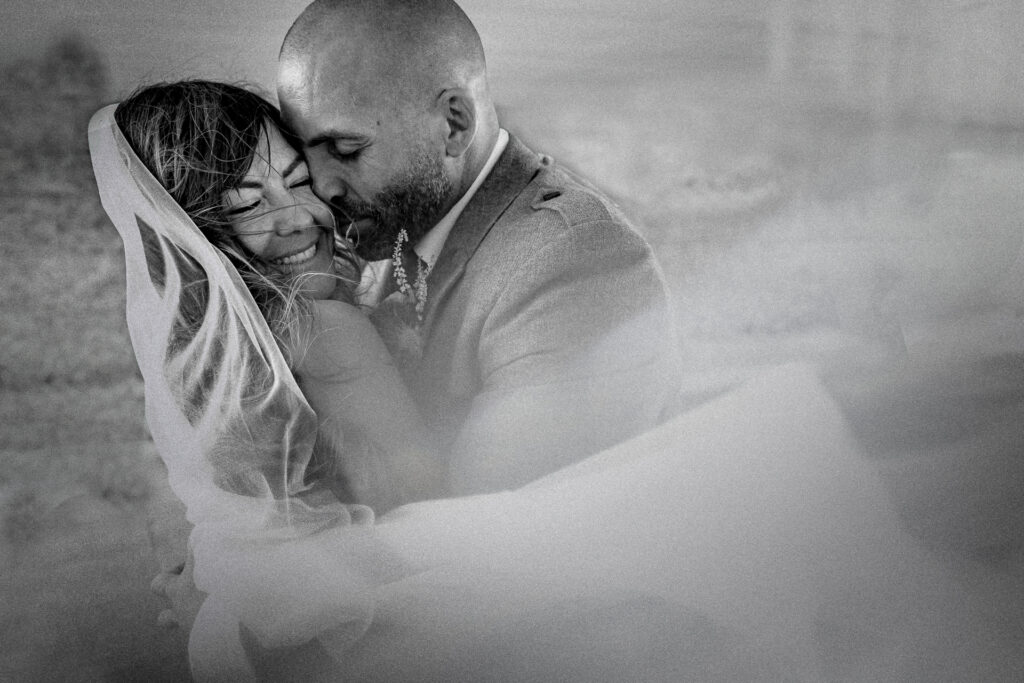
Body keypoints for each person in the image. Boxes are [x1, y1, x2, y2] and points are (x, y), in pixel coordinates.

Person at [90, 83, 1014, 683]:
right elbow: (419, 485)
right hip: (365, 626)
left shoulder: (190, 327)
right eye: (251, 204)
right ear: (199, 223)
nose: (297, 217)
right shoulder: (322, 321)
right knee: (758, 485)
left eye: (296, 178)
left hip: (251, 619)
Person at [277, 0, 683, 495]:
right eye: (303, 156)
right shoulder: (387, 222)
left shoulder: (579, 262)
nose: (321, 188)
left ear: (453, 125)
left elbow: (495, 536)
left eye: (346, 150)